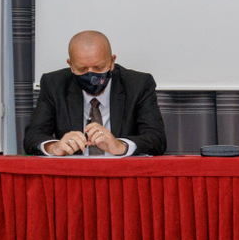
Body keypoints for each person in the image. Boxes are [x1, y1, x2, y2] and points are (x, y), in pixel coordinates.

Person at [23, 30, 167, 156]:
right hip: (74, 173)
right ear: (71, 65)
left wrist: (120, 146)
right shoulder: (54, 85)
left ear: (112, 62)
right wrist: (54, 147)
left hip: (121, 173)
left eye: (98, 68)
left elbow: (157, 139)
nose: (91, 76)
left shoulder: (138, 84)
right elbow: (32, 137)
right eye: (82, 69)